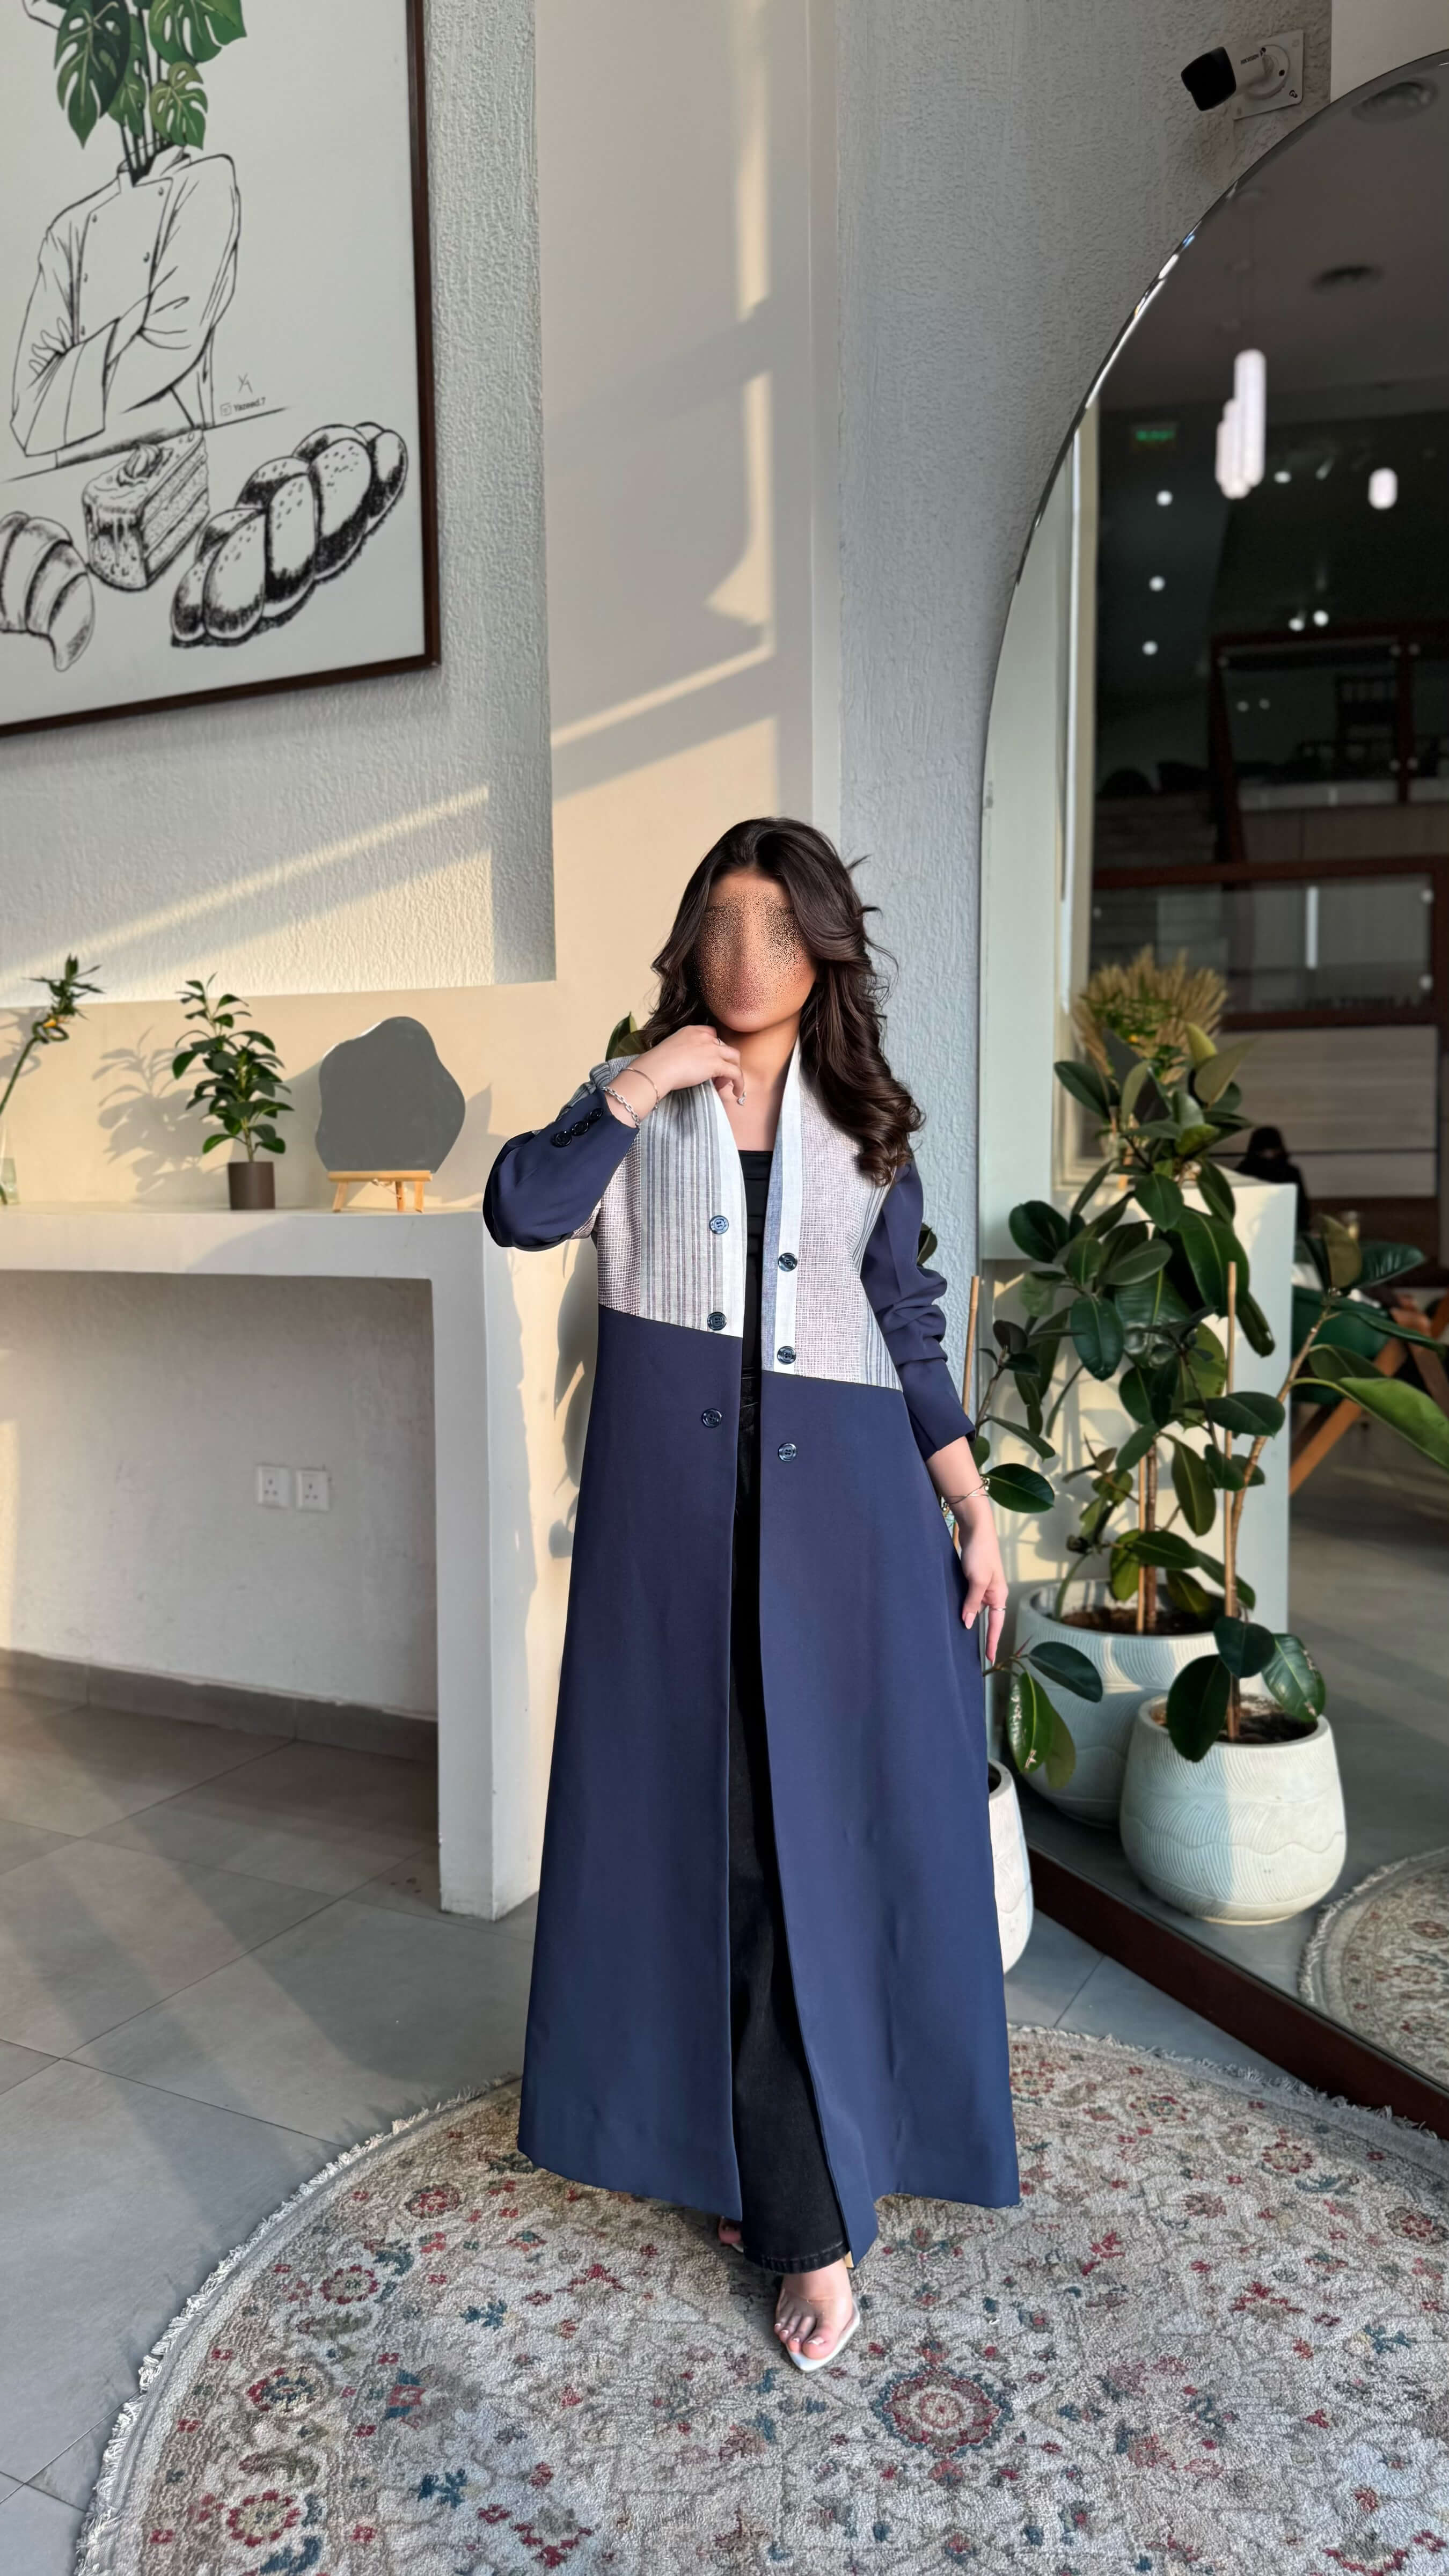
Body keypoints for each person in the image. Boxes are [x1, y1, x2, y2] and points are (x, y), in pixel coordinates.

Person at [484, 817, 1020, 2369]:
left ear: (820, 949)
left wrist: (971, 1509)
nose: (743, 956)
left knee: (803, 1854)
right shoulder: (635, 1099)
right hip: (675, 1537)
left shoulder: (863, 1121)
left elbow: (907, 1325)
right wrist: (637, 1080)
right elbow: (521, 1208)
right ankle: (751, 2150)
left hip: (845, 1532)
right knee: (704, 1848)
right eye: (720, 923)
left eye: (777, 928)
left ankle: (808, 2221)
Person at [1236, 1124, 1312, 1237]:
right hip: (1251, 1230)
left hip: (1287, 1228)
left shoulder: (1291, 1172)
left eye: (1273, 1150)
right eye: (1263, 1151)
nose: (1268, 1155)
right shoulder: (1243, 1172)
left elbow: (1302, 1207)